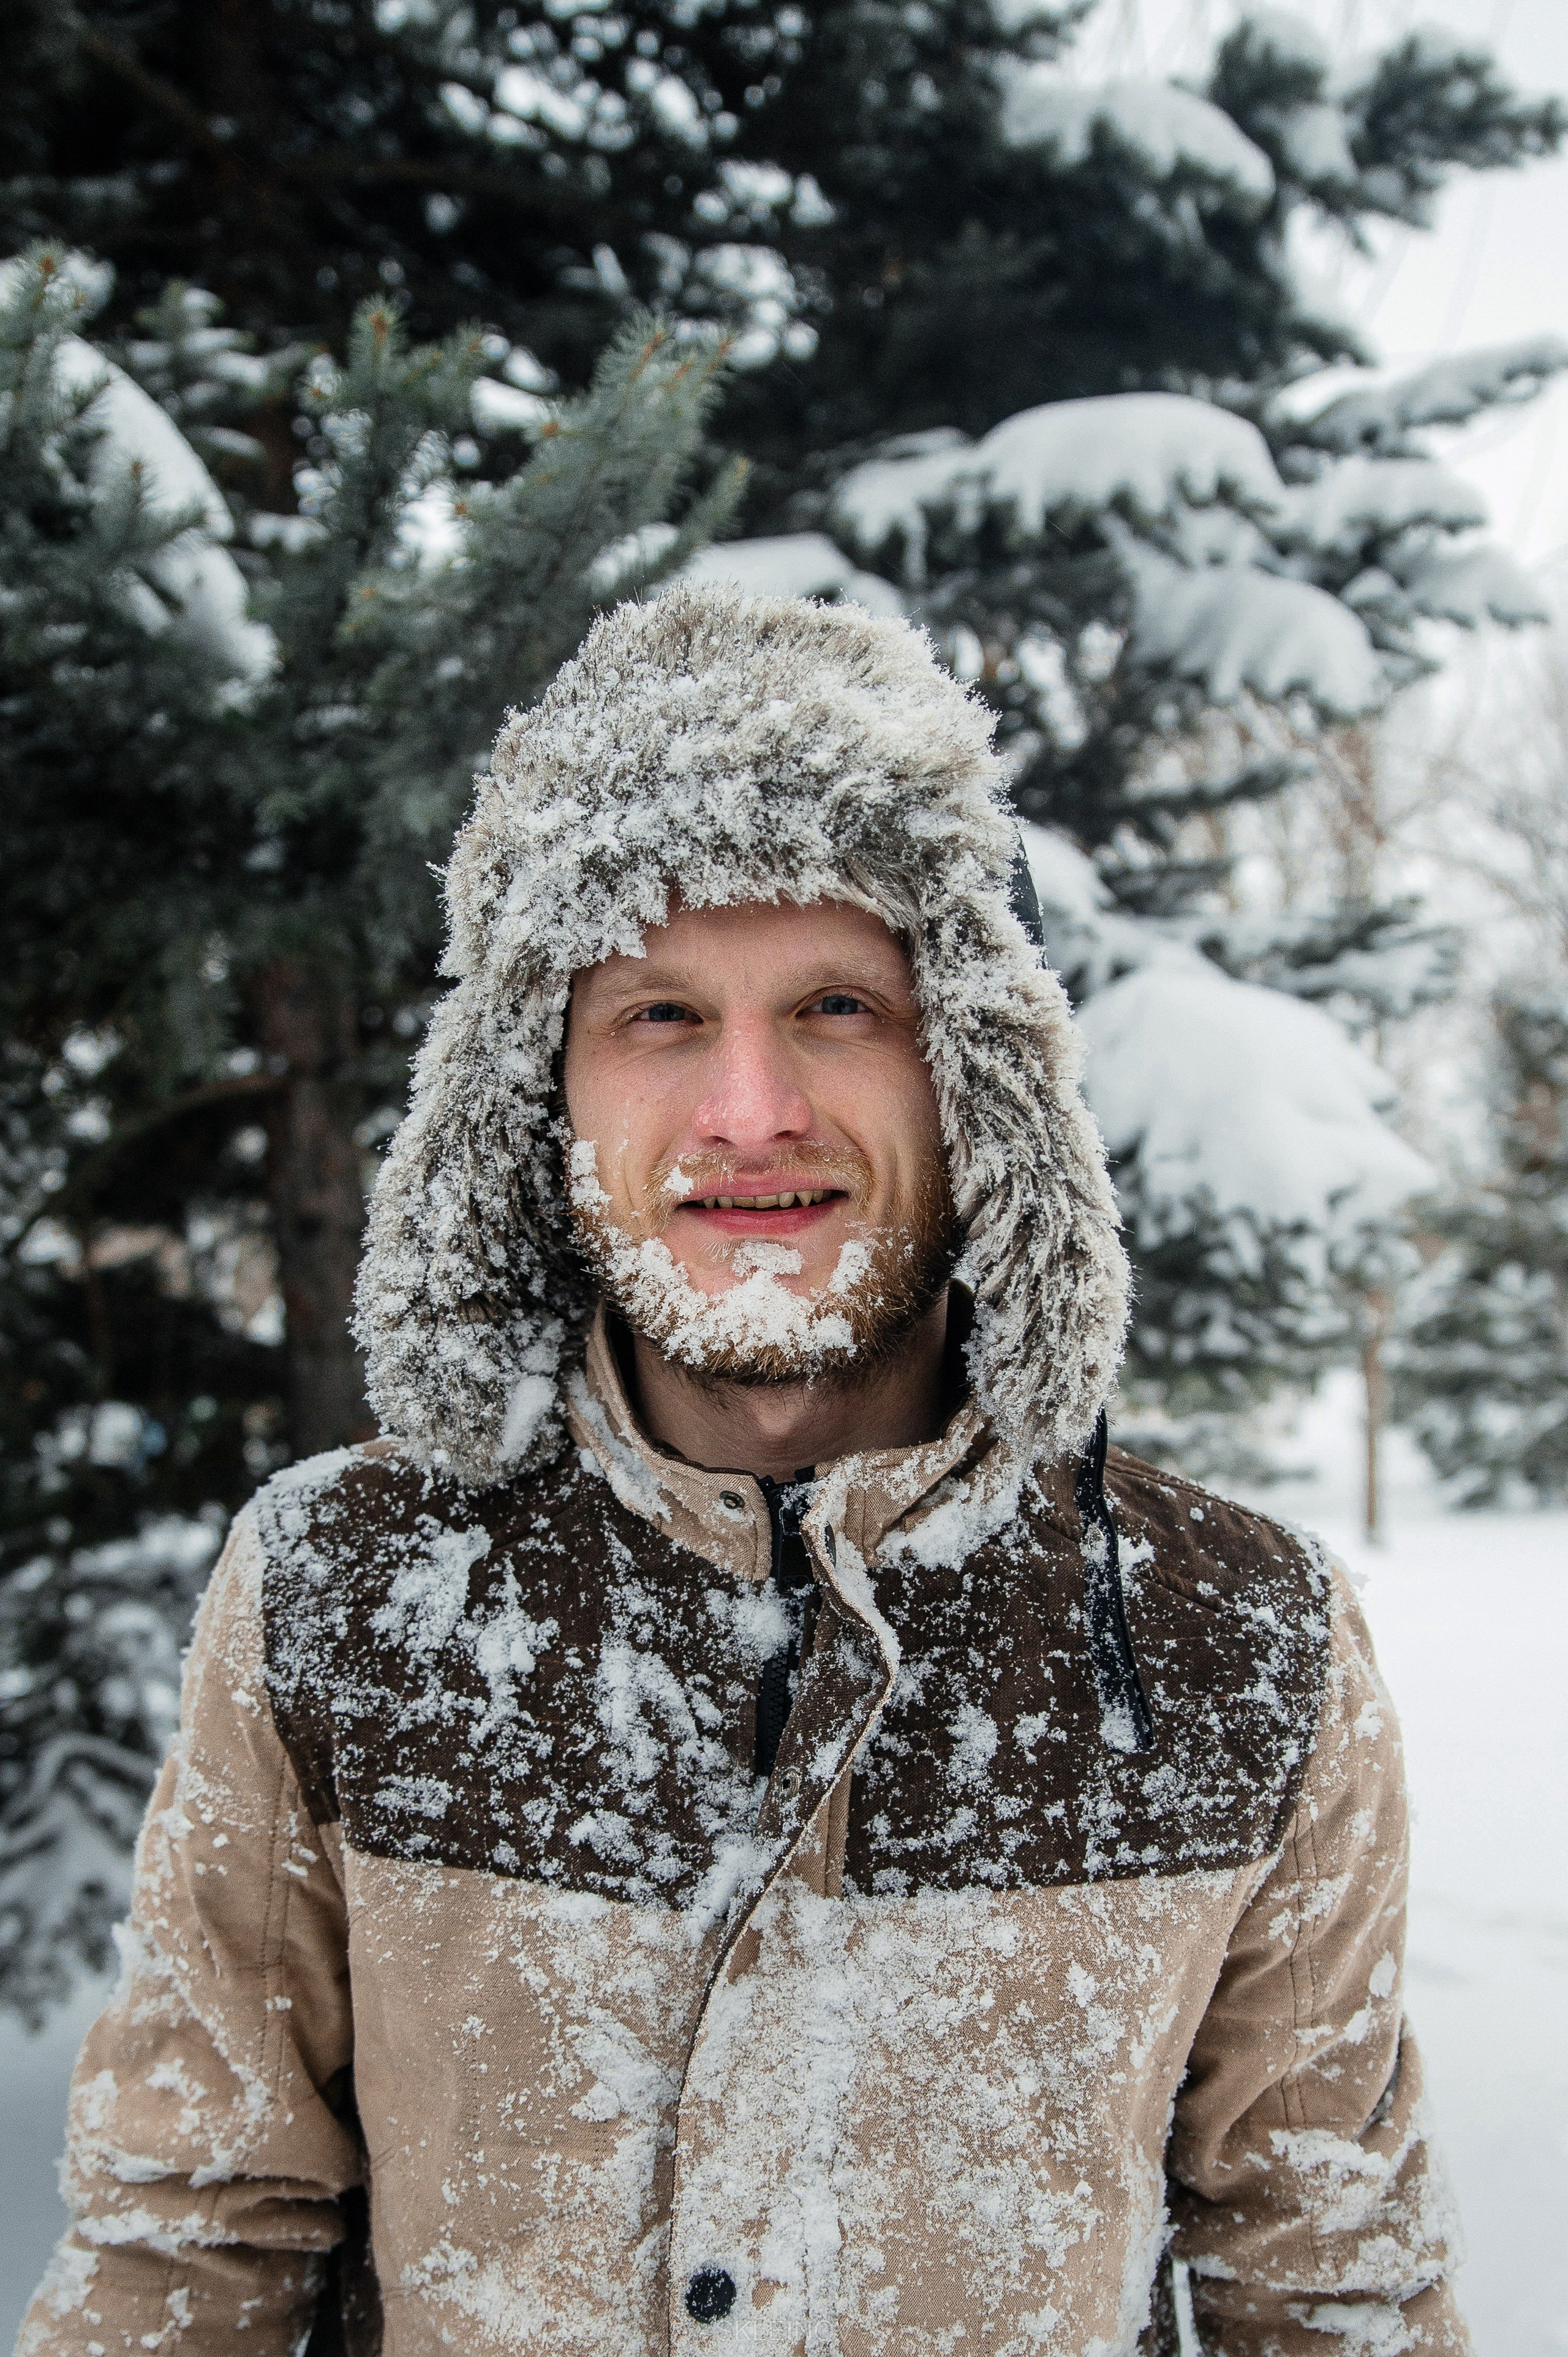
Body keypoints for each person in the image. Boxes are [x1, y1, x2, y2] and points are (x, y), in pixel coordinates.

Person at [18, 586, 1468, 2357]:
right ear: (535, 1095)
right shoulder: (336, 1598)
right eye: (659, 1017)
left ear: (978, 1076)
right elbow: (187, 2256)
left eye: (840, 1004)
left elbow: (1331, 2293)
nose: (752, 1111)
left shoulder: (1244, 1644)